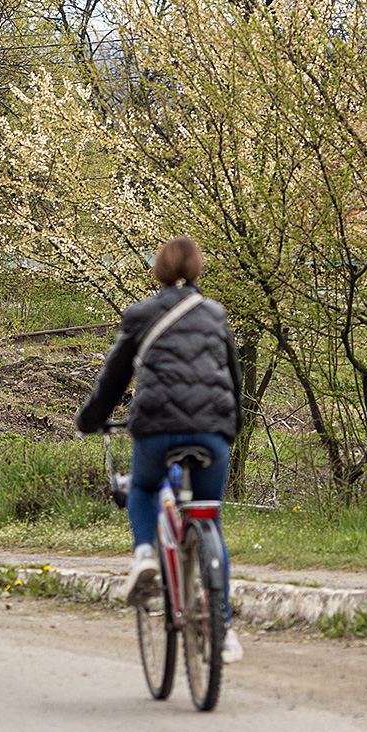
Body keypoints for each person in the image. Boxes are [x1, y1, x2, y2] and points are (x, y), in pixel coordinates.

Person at [77, 236, 243, 585]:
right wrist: (231, 424)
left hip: (157, 426)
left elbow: (115, 377)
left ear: (159, 270)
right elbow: (233, 375)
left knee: (144, 486)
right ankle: (222, 618)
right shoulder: (215, 314)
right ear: (197, 268)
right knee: (209, 519)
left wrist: (91, 419)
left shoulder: (140, 314)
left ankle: (144, 555)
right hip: (212, 428)